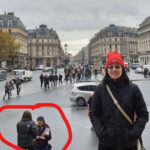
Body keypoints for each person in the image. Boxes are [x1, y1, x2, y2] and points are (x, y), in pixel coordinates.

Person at [89, 51, 149, 150]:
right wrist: (101, 133)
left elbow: (143, 114)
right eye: (111, 67)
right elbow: (93, 113)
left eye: (117, 66)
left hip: (128, 144)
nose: (114, 70)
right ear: (107, 69)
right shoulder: (100, 89)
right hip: (106, 143)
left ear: (122, 69)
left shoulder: (133, 89)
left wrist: (133, 134)